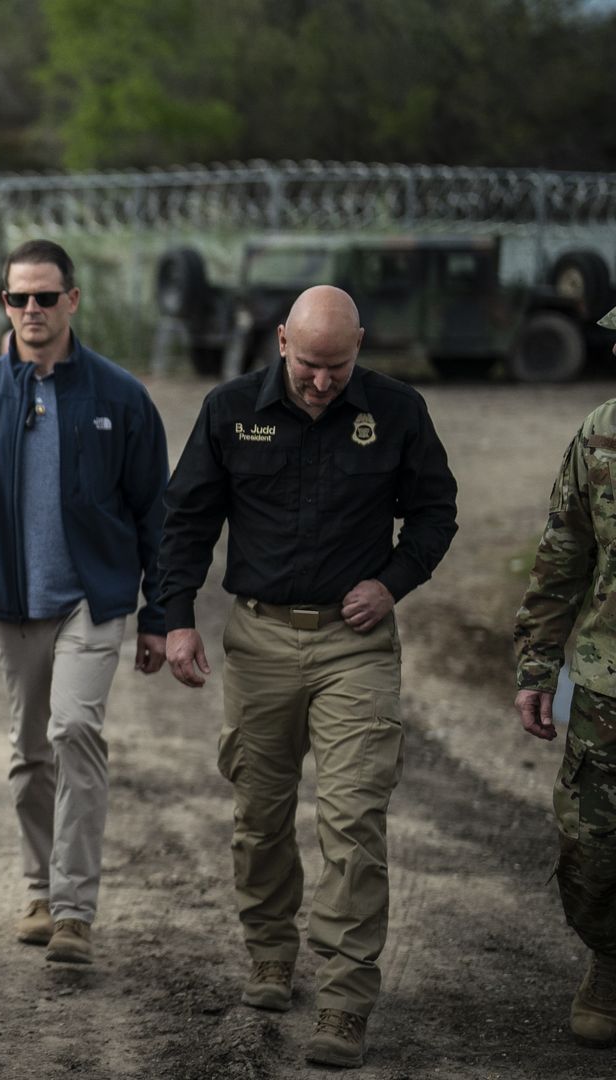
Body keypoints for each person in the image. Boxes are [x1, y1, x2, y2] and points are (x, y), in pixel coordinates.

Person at [157, 285, 457, 1068]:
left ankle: (346, 999)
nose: (323, 381)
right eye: (310, 364)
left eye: (339, 365)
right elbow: (186, 518)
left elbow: (436, 511)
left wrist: (392, 580)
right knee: (259, 816)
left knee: (354, 820)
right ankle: (269, 953)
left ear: (361, 346)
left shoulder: (395, 411)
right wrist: (176, 617)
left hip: (354, 645)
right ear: (283, 339)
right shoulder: (230, 410)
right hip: (258, 640)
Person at [0, 241, 170, 966]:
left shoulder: (118, 397)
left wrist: (162, 614)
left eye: (47, 297)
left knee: (75, 731)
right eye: (19, 299)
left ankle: (74, 909)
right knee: (30, 752)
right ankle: (38, 890)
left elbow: (155, 514)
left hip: (92, 600)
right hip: (12, 606)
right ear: (4, 304)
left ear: (73, 299)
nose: (33, 310)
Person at [510, 302, 616, 1049]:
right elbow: (561, 559)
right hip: (608, 685)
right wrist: (537, 666)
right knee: (591, 849)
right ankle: (610, 960)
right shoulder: (601, 436)